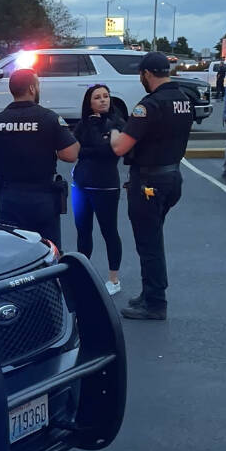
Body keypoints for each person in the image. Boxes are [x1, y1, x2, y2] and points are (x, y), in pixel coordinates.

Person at [109, 52, 193, 321]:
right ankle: (149, 293)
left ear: (146, 74)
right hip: (172, 176)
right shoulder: (183, 99)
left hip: (149, 181)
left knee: (149, 243)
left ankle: (155, 302)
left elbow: (121, 147)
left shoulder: (149, 105)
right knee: (153, 237)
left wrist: (114, 132)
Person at [0, 69, 79, 248]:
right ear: (31, 88)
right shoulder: (50, 119)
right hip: (42, 198)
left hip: (9, 198)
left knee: (12, 251)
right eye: (37, 85)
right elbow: (70, 155)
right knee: (47, 251)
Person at [71, 84, 125, 294]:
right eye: (97, 97)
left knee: (109, 231)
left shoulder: (117, 123)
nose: (103, 100)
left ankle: (114, 279)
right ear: (89, 102)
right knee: (83, 231)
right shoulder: (83, 124)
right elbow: (75, 151)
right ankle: (83, 276)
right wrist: (99, 145)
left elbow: (112, 152)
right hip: (81, 185)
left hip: (106, 186)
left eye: (106, 96)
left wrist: (92, 147)